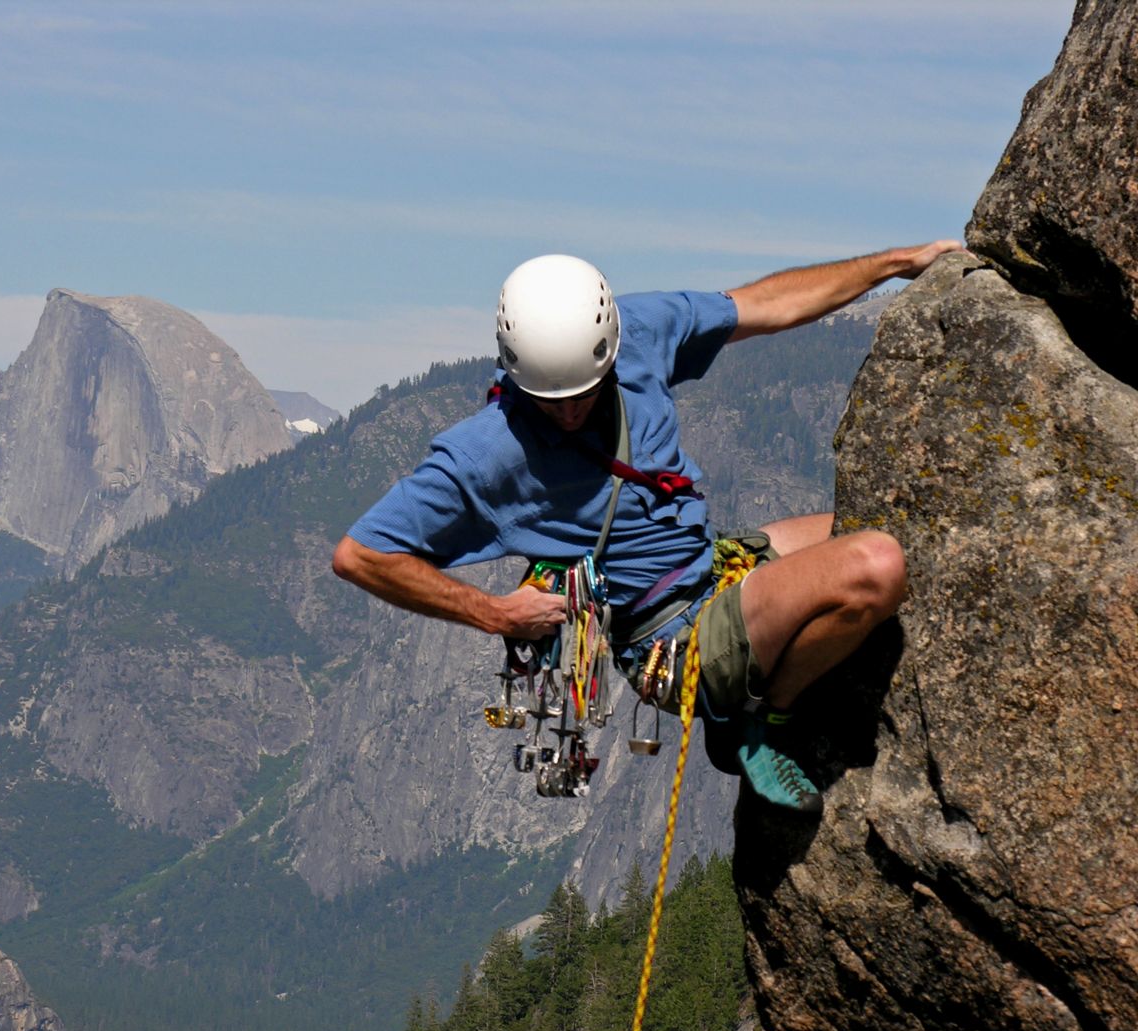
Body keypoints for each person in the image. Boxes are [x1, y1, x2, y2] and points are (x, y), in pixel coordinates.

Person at [332, 243, 961, 811]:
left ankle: (751, 678)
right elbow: (360, 555)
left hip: (714, 567)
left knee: (887, 529)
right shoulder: (486, 452)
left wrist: (895, 264)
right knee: (876, 565)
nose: (572, 412)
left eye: (584, 392)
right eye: (551, 403)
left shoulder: (641, 332)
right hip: (671, 643)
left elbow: (765, 304)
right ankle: (757, 721)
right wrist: (497, 614)